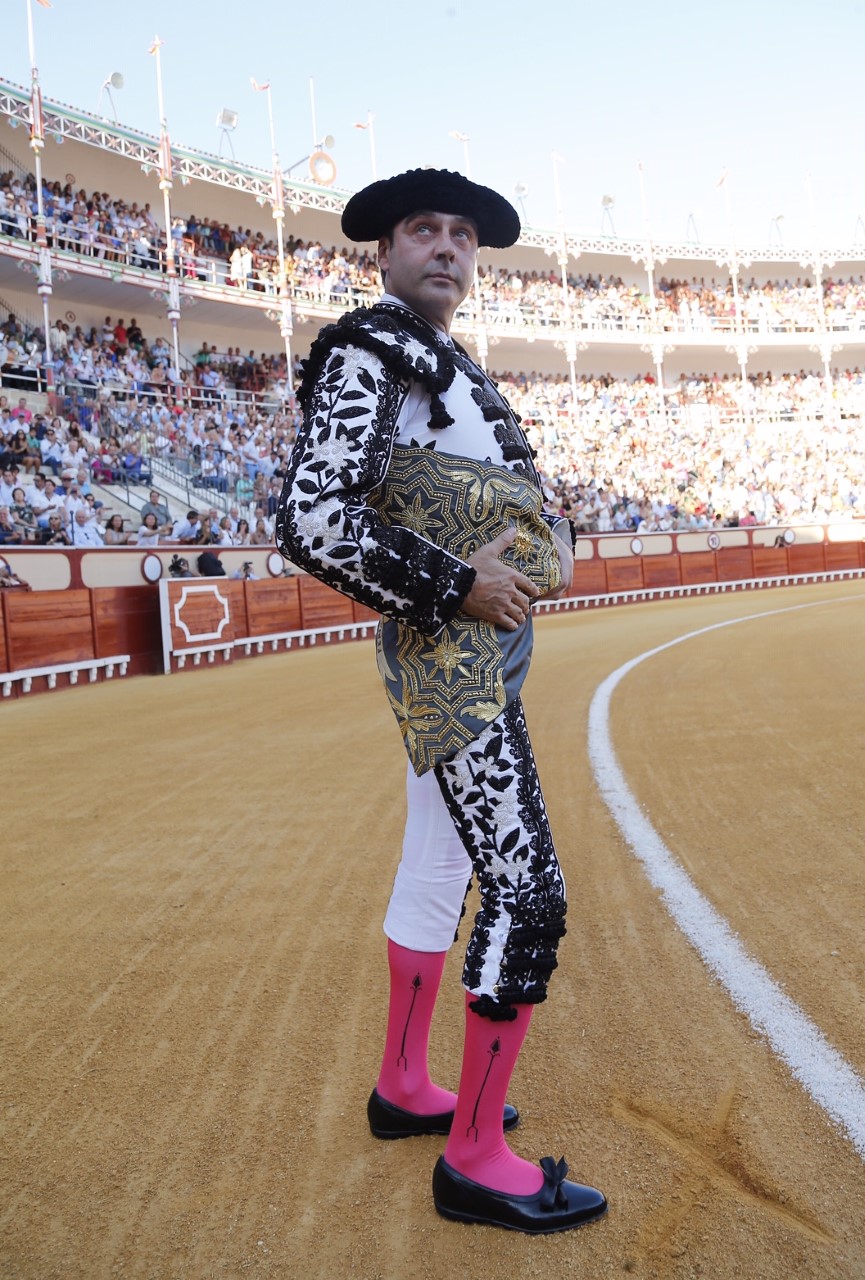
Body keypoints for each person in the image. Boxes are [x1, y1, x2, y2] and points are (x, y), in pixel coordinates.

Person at [276, 169, 605, 1234]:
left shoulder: (440, 359)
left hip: (470, 646)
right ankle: (473, 1154)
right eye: (425, 229)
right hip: (448, 648)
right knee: (529, 893)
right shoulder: (373, 345)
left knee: (438, 865)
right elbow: (315, 515)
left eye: (464, 234)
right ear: (383, 249)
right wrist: (458, 582)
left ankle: (406, 1087)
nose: (449, 248)